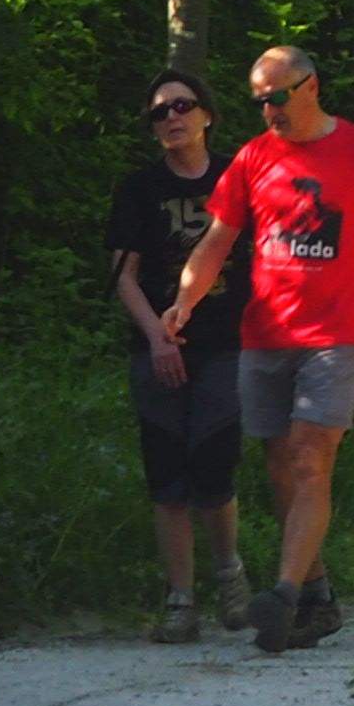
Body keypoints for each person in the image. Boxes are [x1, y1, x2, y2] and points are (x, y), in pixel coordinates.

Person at [168, 44, 354, 651]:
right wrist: (186, 300)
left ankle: (282, 595)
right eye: (259, 101)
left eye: (278, 97)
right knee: (280, 465)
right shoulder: (254, 159)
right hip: (266, 333)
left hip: (336, 336)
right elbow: (216, 240)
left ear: (311, 86)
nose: (269, 111)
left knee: (313, 458)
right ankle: (316, 596)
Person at [109, 72, 249, 643]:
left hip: (226, 341)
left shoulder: (236, 178)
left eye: (182, 106)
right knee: (166, 474)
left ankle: (231, 580)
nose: (171, 118)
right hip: (156, 345)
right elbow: (124, 276)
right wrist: (157, 337)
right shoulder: (139, 190)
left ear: (207, 115)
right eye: (159, 113)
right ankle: (180, 601)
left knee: (214, 466)